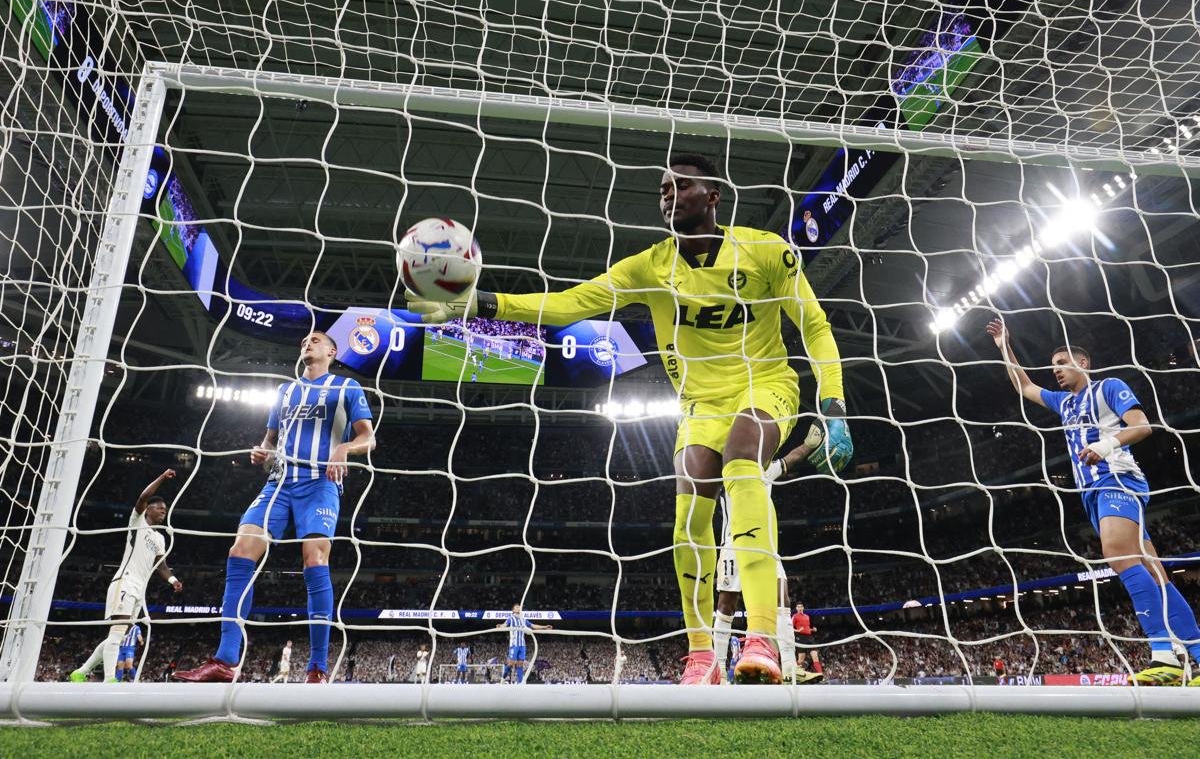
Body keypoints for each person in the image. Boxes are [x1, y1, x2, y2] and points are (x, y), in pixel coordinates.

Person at [408, 154, 852, 685]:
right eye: (663, 187)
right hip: (699, 404)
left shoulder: (765, 250)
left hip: (766, 387)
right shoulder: (649, 266)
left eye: (681, 185)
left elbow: (816, 326)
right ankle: (702, 655)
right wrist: (482, 304)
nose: (668, 194)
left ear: (713, 196)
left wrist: (834, 407)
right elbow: (570, 304)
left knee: (742, 462)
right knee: (690, 514)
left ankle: (760, 638)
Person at [987, 319, 1200, 686]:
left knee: (1118, 556)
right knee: (1155, 573)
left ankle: (1164, 655)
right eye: (1052, 364)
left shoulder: (1108, 388)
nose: (1055, 369)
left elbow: (1142, 425)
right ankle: (1196, 654)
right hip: (1092, 492)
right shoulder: (1064, 403)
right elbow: (1024, 386)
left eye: (1061, 361)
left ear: (1082, 363)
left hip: (1116, 479)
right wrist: (1004, 346)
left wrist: (1105, 445)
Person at [173, 331, 375, 684]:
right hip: (278, 484)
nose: (306, 343)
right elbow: (269, 441)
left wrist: (344, 449)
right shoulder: (285, 391)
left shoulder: (346, 388)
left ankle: (316, 668)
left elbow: (368, 437)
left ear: (332, 351)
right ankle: (224, 661)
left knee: (315, 559)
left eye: (315, 340)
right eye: (303, 341)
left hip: (320, 484)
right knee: (240, 551)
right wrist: (261, 452)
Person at [713, 434, 824, 684]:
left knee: (782, 599)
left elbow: (790, 459)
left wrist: (809, 444)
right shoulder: (728, 471)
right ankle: (718, 672)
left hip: (765, 546)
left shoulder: (764, 470)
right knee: (727, 604)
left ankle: (788, 668)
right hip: (734, 543)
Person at [71, 469, 183, 683]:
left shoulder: (160, 539)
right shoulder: (137, 521)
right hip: (125, 582)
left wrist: (173, 580)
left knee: (119, 635)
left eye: (165, 510)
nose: (163, 512)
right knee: (117, 633)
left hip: (139, 590)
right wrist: (161, 477)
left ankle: (81, 672)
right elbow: (142, 497)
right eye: (159, 508)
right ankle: (110, 679)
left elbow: (161, 566)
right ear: (148, 509)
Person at [497, 604, 552, 684]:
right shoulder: (511, 618)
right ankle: (503, 678)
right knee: (511, 663)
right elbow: (504, 625)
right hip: (514, 644)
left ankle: (520, 683)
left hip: (522, 645)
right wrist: (499, 626)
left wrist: (545, 627)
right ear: (513, 610)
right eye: (516, 607)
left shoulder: (523, 619)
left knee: (520, 664)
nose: (518, 608)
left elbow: (533, 626)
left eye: (519, 607)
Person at [791, 601, 823, 679]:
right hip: (800, 638)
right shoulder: (794, 616)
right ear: (796, 608)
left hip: (809, 637)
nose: (800, 608)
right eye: (798, 607)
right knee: (801, 659)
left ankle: (821, 675)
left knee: (815, 657)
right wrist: (798, 631)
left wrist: (812, 629)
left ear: (803, 608)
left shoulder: (807, 616)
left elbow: (806, 628)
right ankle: (795, 674)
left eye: (801, 607)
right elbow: (789, 628)